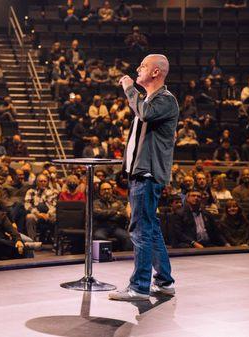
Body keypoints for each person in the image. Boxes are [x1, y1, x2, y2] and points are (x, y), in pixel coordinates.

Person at [109, 54, 177, 301]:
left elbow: (145, 113)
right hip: (138, 173)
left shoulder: (165, 100)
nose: (138, 69)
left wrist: (129, 88)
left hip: (147, 175)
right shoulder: (148, 99)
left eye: (144, 66)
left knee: (140, 230)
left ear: (156, 72)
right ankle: (165, 281)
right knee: (151, 228)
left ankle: (139, 286)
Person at [93, 183, 132, 251]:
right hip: (101, 227)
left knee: (127, 237)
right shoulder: (96, 203)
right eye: (104, 189)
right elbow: (97, 214)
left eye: (108, 189)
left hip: (115, 228)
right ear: (100, 191)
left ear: (112, 190)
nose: (107, 191)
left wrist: (106, 215)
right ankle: (104, 258)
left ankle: (125, 258)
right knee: (99, 237)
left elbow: (124, 215)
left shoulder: (118, 203)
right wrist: (115, 212)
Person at [24, 174, 57, 243]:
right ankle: (32, 241)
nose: (43, 183)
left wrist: (48, 214)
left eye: (45, 181)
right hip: (36, 214)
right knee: (29, 217)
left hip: (49, 214)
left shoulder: (53, 192)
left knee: (57, 218)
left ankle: (54, 241)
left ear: (47, 182)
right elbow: (27, 204)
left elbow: (54, 205)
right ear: (37, 182)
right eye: (41, 181)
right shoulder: (31, 191)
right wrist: (38, 214)